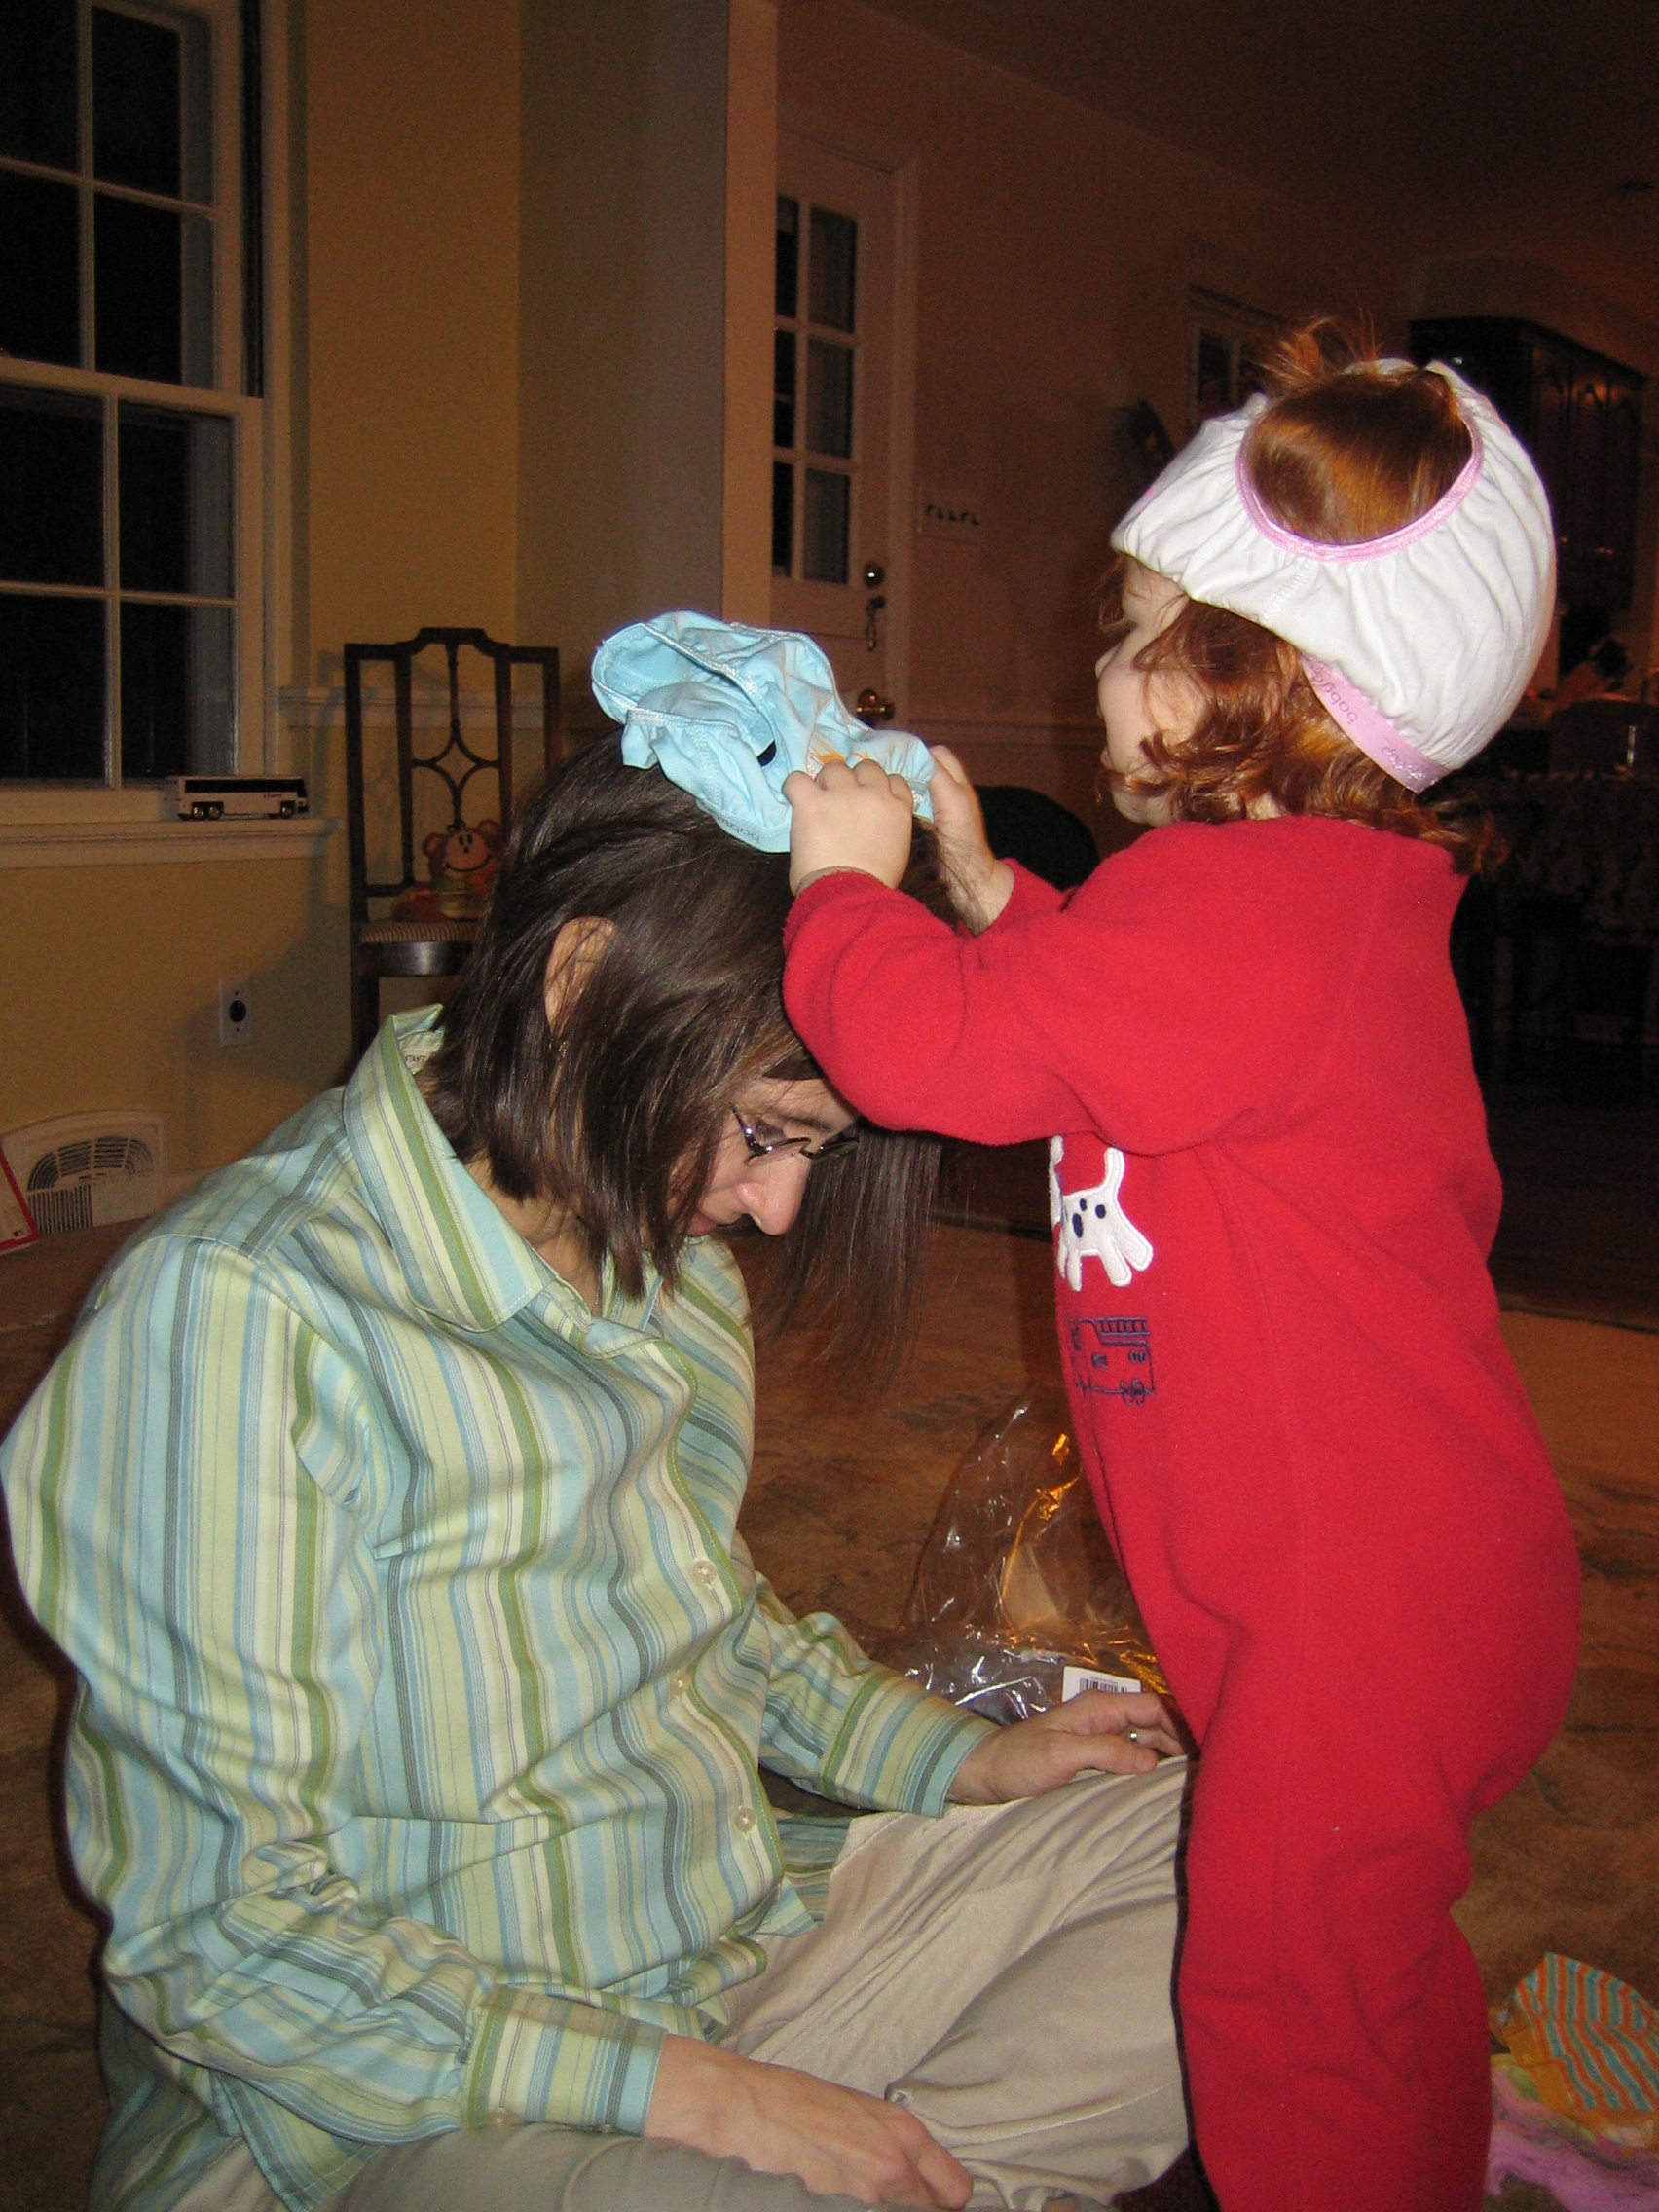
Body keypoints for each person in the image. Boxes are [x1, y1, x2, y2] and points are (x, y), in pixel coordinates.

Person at [2, 738, 1190, 2212]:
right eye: (766, 1134)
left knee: (1232, 1861)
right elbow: (225, 1940)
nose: (776, 1211)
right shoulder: (238, 1319)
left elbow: (707, 1619)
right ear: (582, 982)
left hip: (728, 1953)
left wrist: (955, 1760)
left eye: (815, 1151)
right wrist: (700, 2100)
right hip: (404, 2094)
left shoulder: (661, 1259)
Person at [779, 324, 1582, 2212]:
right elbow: (1124, 1030)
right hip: (1364, 1581)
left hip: (1350, 1610)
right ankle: (1427, 2137)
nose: (1098, 666)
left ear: (1255, 673)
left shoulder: (1242, 908)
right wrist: (993, 894)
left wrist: (842, 890)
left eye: (1138, 627)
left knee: (1285, 1999)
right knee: (1350, 1964)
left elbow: (941, 1056)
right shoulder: (1292, 913)